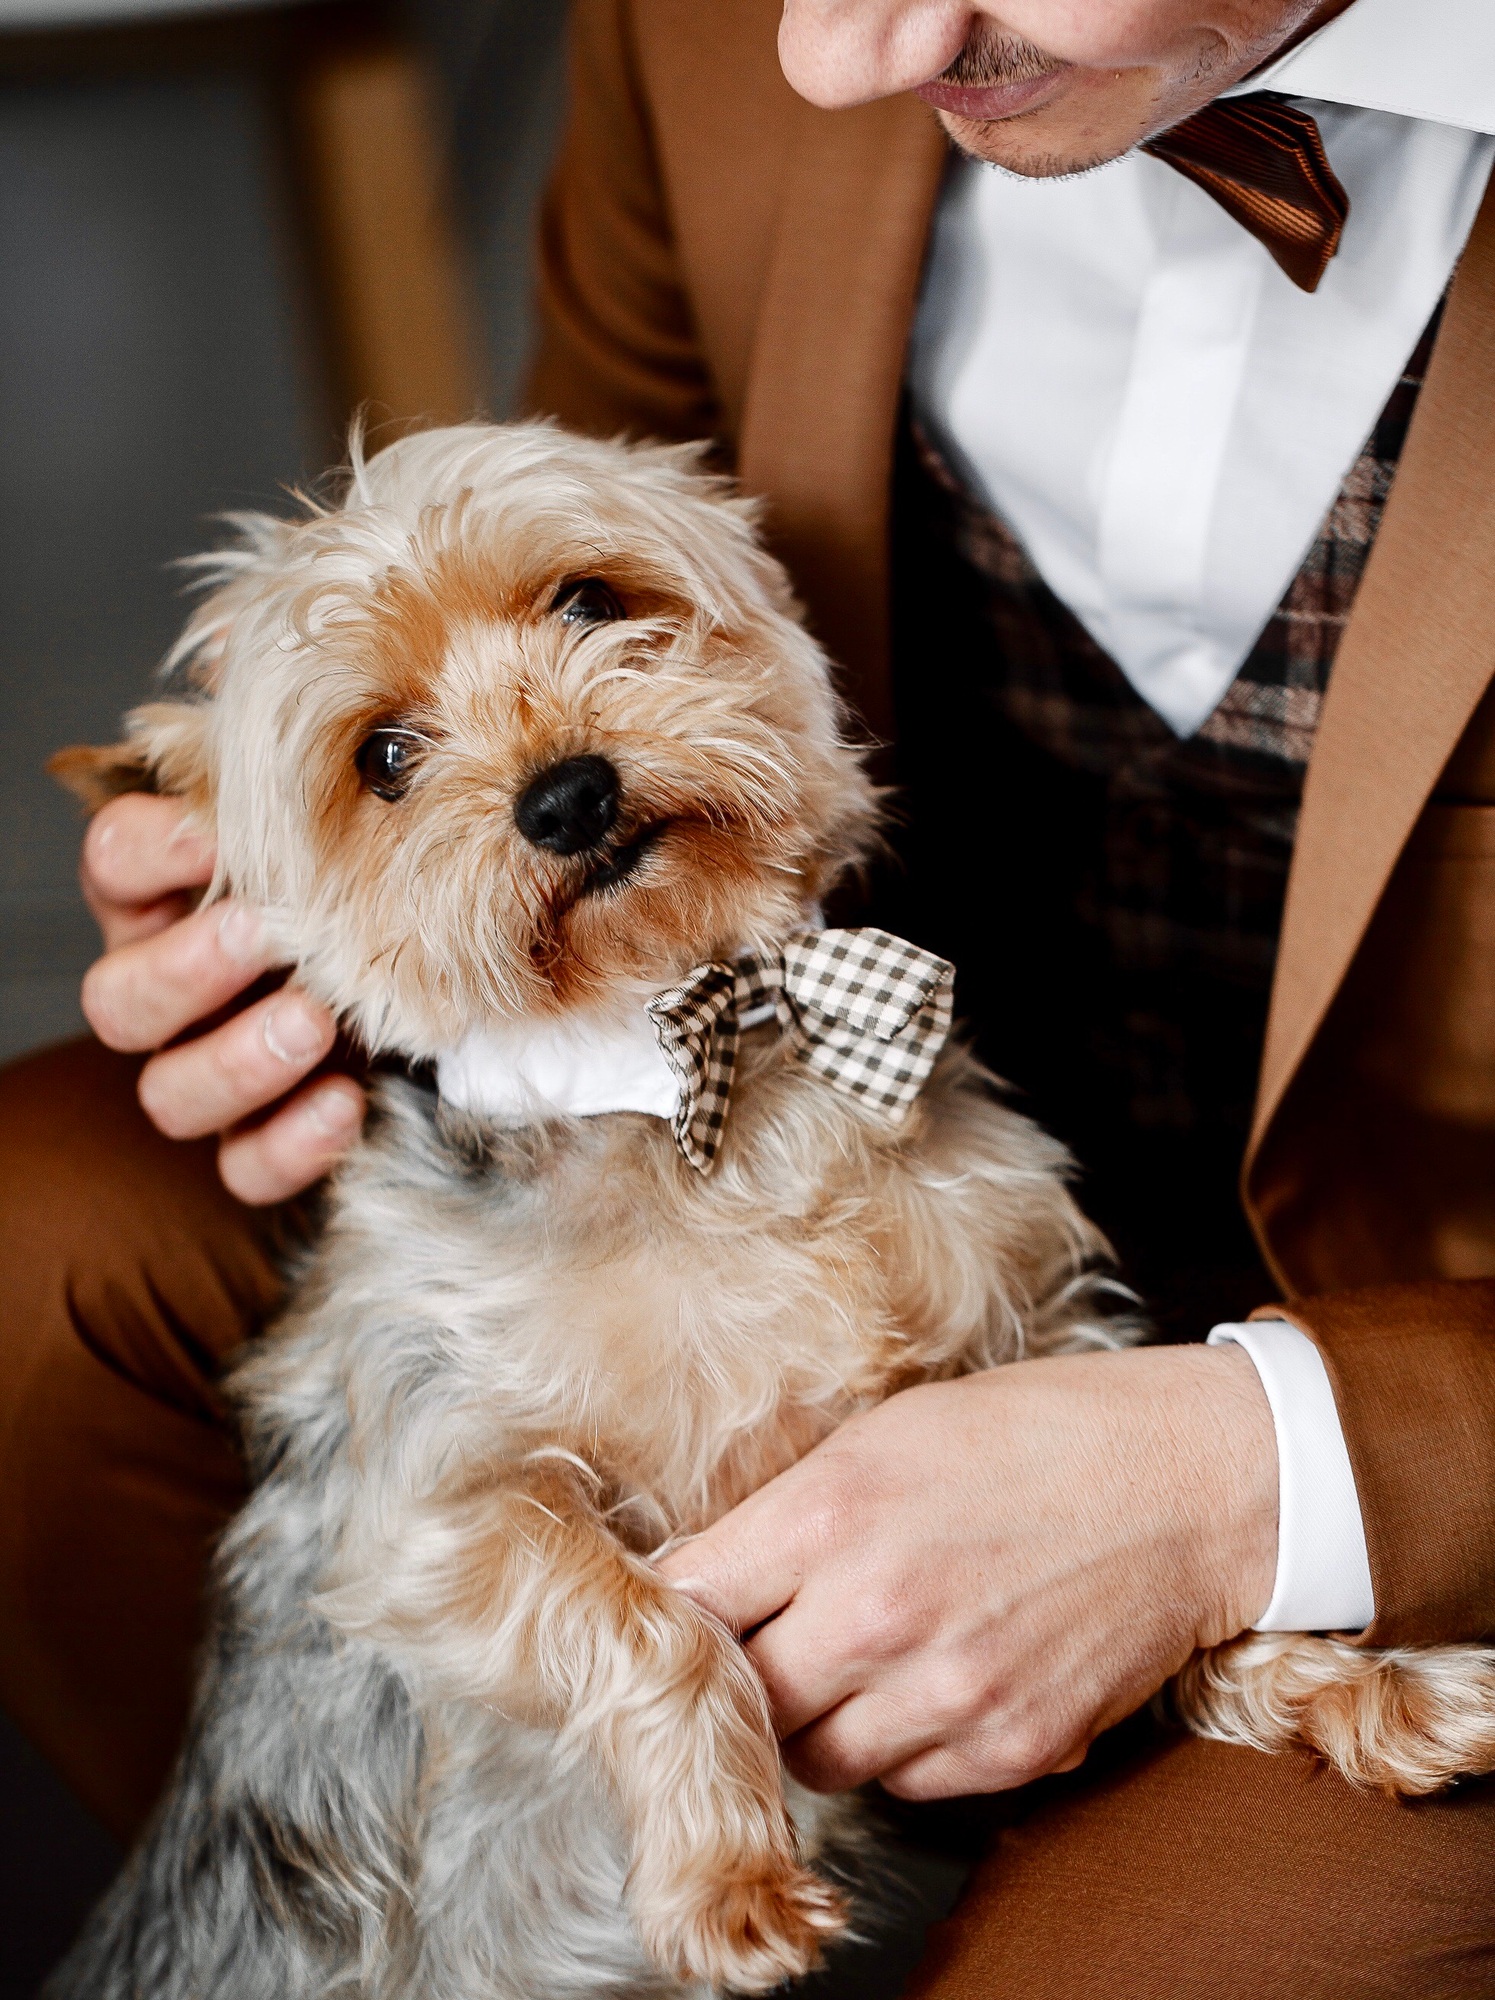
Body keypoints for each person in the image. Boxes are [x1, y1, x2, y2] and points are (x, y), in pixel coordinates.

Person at [3, 0, 1494, 1989]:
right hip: (774, 1063)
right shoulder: (716, 33)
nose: (838, 49)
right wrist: (302, 906)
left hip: (1421, 1352)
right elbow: (558, 520)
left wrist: (1255, 1484)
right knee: (41, 1219)